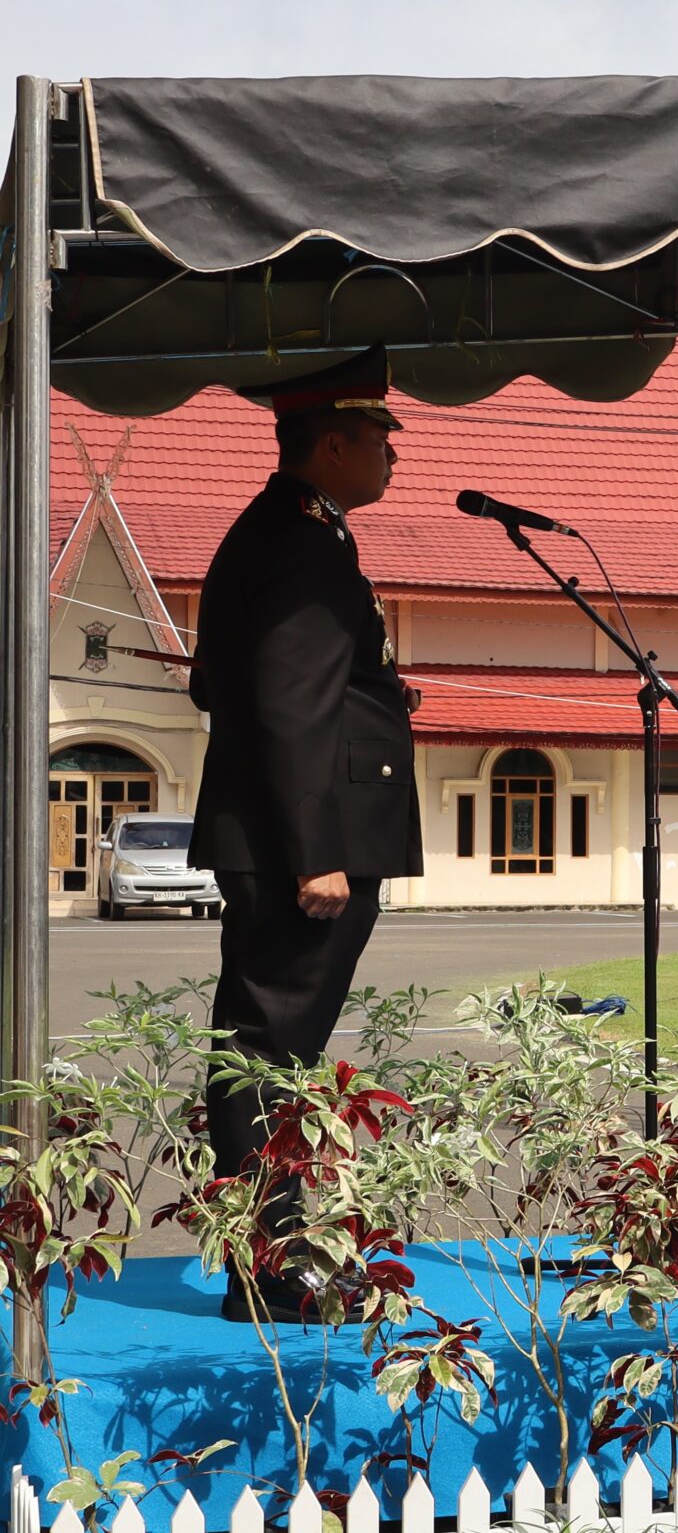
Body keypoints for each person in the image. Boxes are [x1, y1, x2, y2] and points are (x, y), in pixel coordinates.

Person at [189, 348, 424, 1324]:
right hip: (302, 850)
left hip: (291, 835)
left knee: (271, 1052)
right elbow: (290, 706)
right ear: (329, 443)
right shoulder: (297, 545)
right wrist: (314, 849)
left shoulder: (296, 532)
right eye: (379, 440)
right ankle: (268, 1266)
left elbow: (223, 685)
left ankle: (269, 1256)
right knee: (268, 1055)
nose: (392, 458)